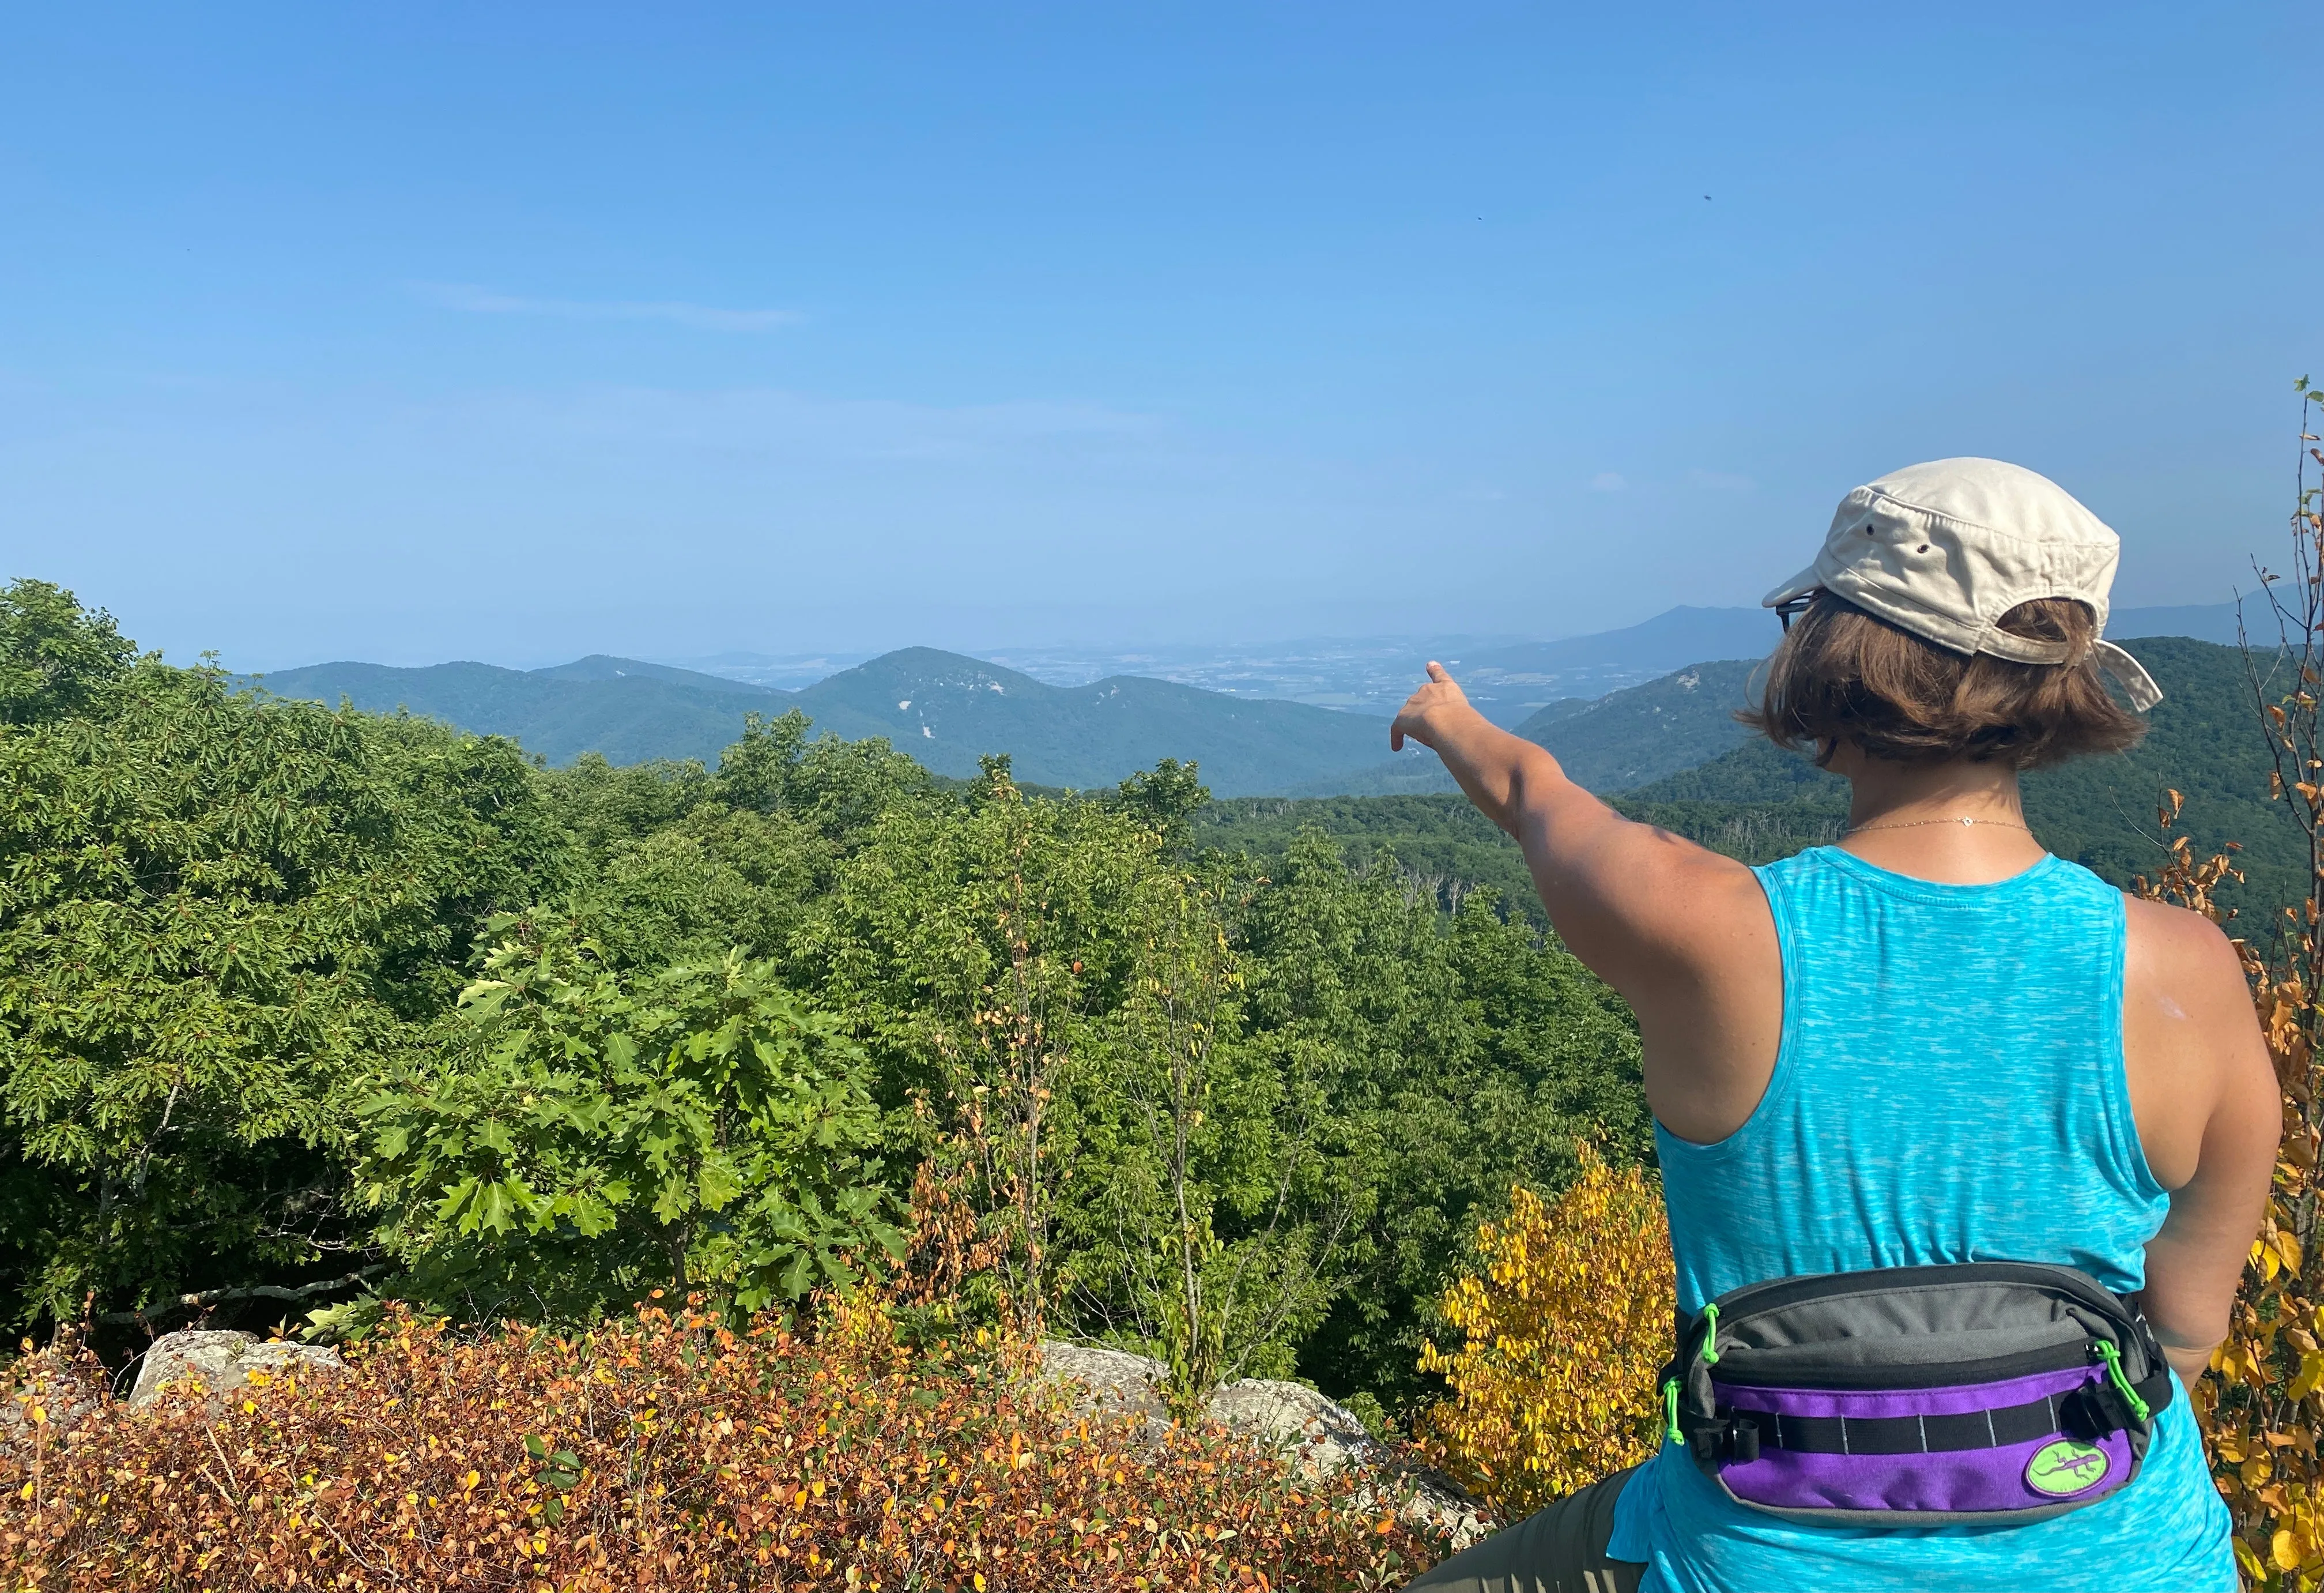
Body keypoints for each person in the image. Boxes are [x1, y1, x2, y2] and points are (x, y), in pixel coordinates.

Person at [1388, 458, 2277, 1592]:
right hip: (2134, 1554)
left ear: (1835, 649)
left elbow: (1536, 799)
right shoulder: (2189, 973)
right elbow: (2187, 1336)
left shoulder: (1710, 931)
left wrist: (1447, 718)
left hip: (1762, 1554)